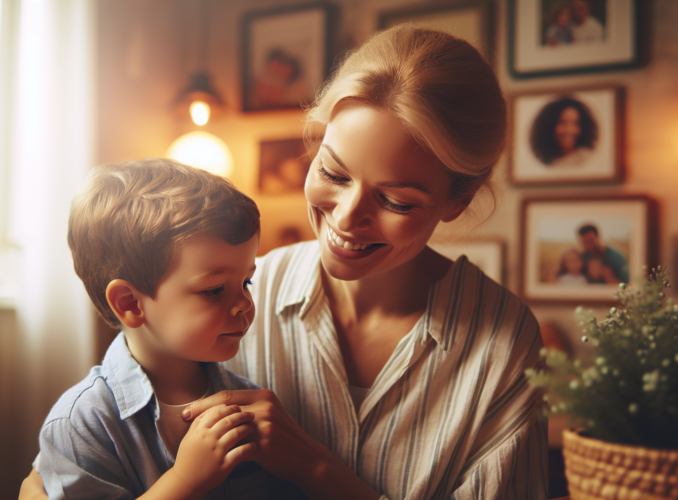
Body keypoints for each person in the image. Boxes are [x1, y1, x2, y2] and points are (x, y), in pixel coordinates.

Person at [21, 25, 547, 499]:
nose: (346, 217)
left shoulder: (501, 345)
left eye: (396, 201)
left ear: (457, 202)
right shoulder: (245, 291)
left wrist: (319, 471)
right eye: (335, 173)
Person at [34, 158, 305, 499]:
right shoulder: (84, 423)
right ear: (131, 304)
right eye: (214, 290)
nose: (245, 304)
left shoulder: (250, 403)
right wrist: (184, 481)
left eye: (247, 281)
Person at [530, 96, 598, 167]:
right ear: (550, 125)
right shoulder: (543, 160)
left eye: (576, 123)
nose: (569, 130)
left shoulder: (585, 157)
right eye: (563, 123)